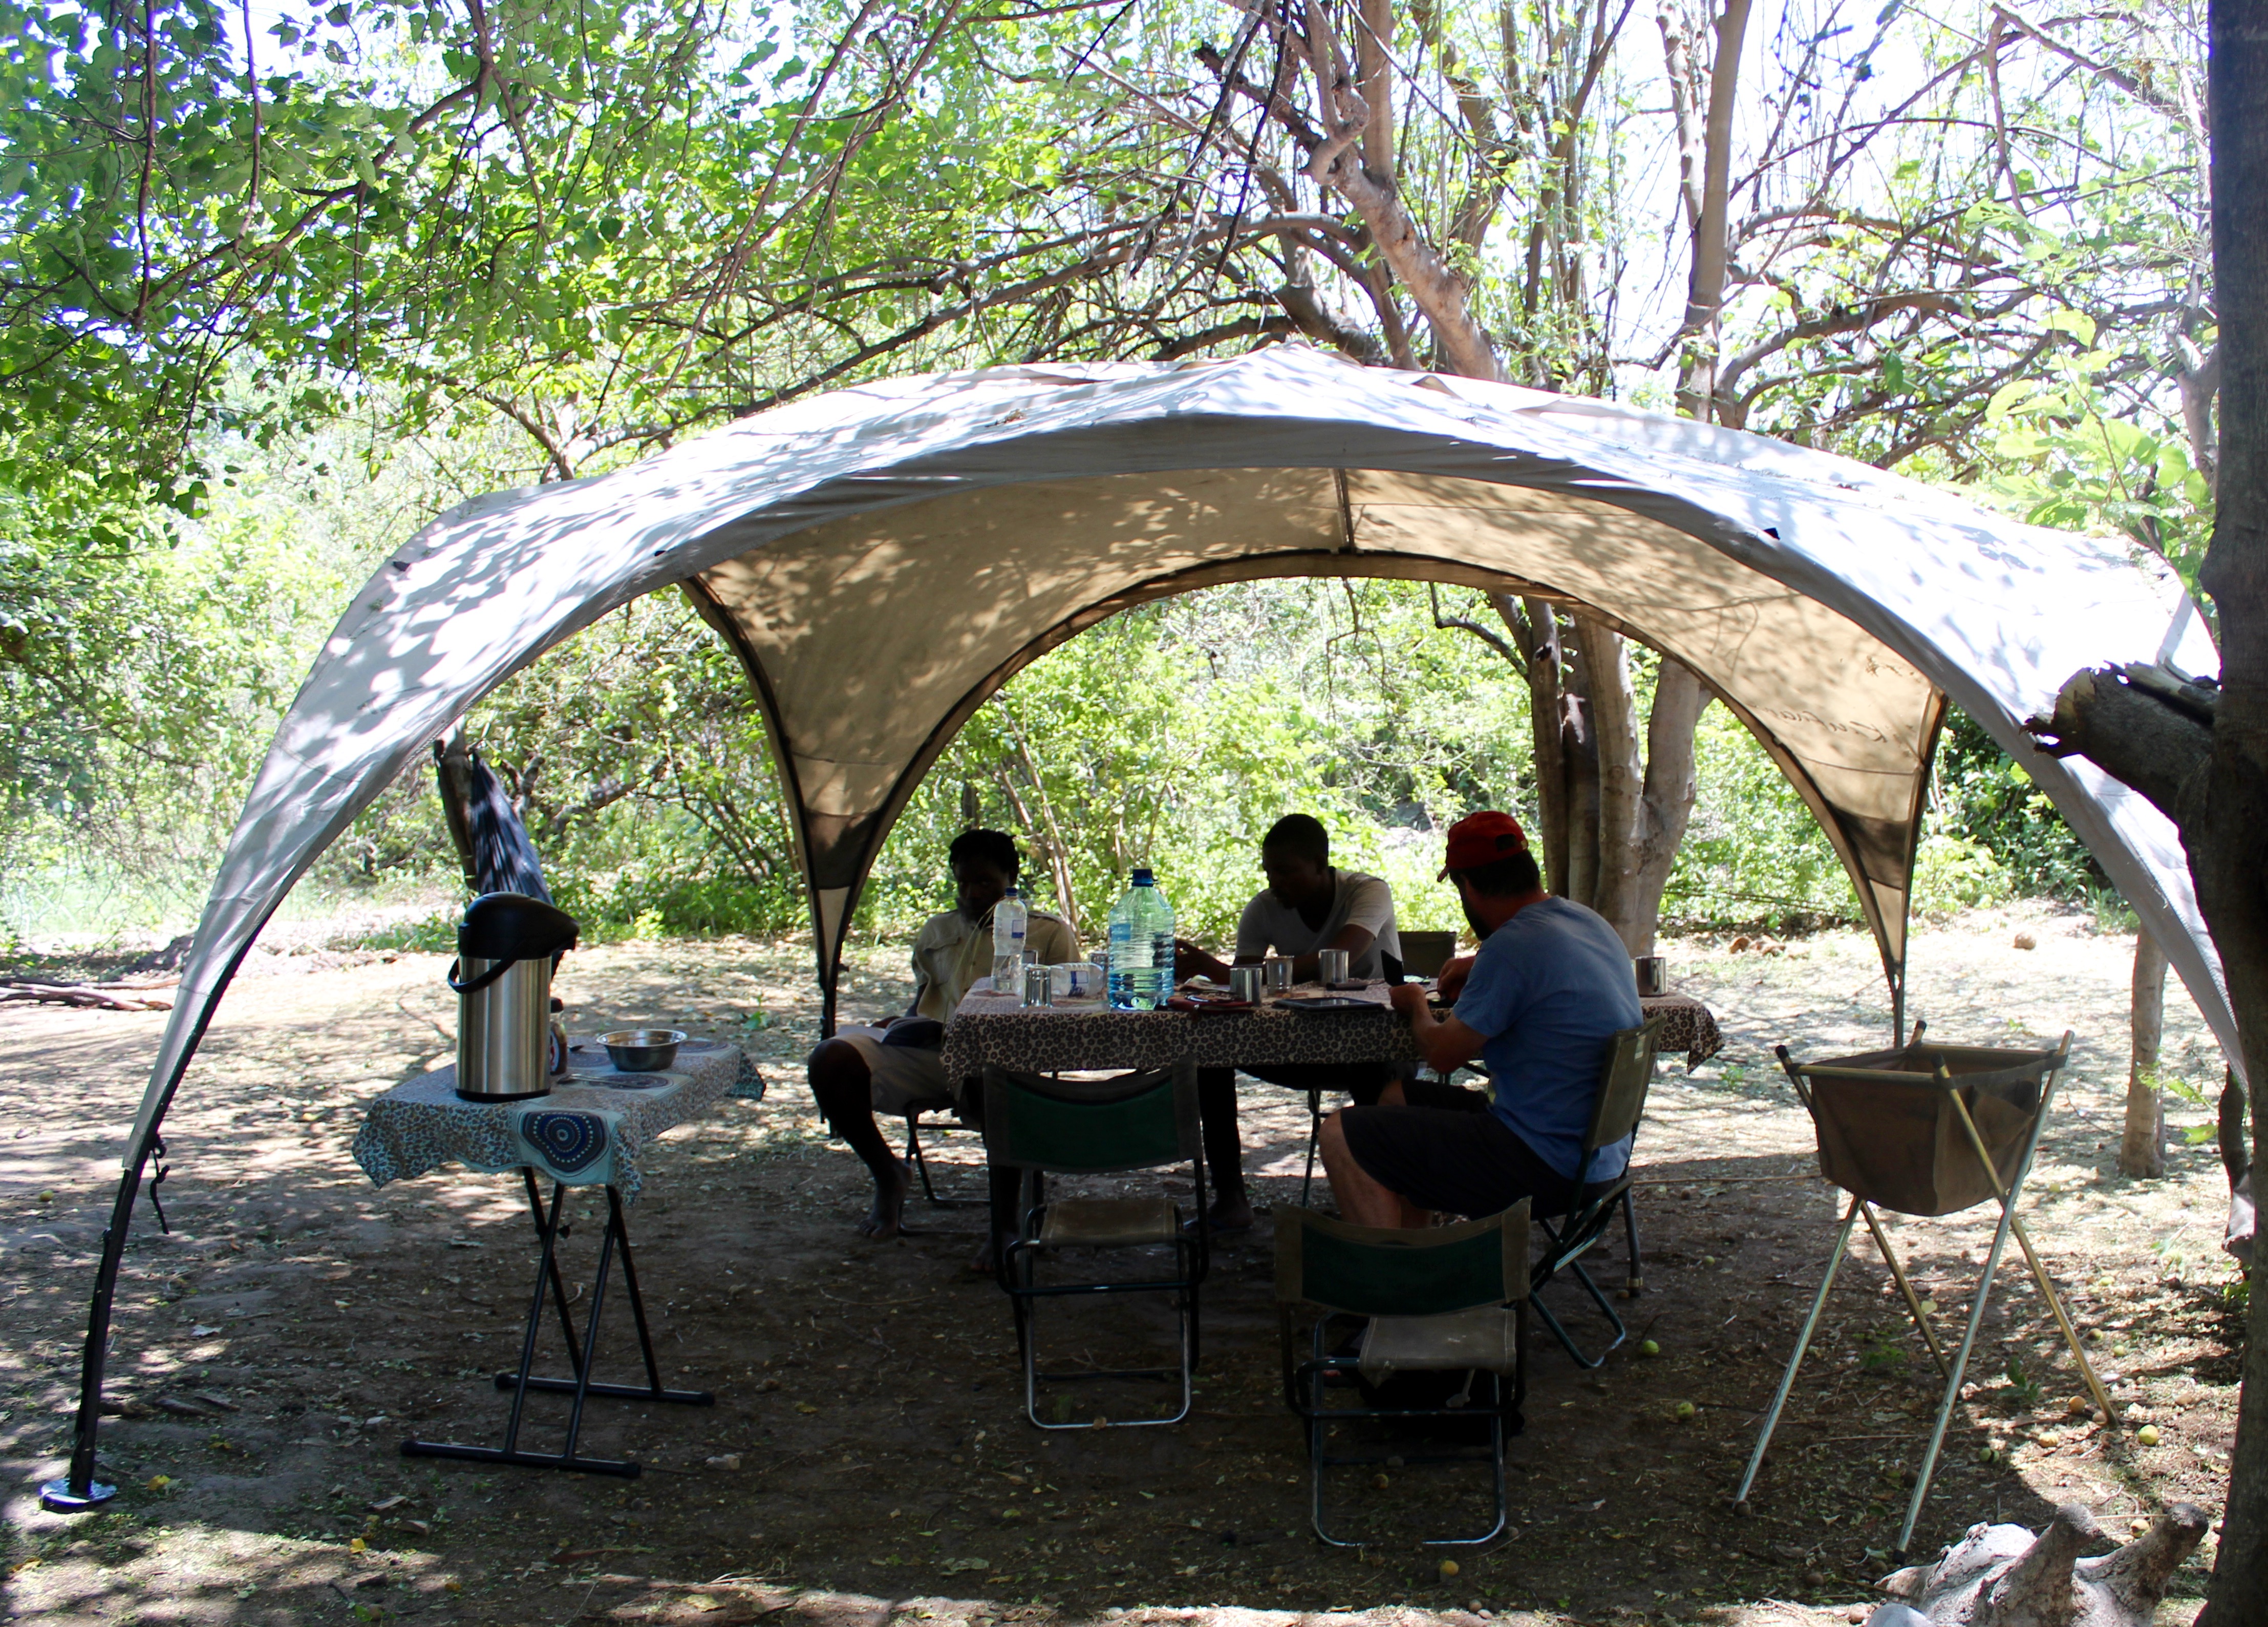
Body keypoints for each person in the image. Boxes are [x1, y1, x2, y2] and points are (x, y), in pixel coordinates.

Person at [1321, 809, 1642, 1228]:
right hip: (1598, 1158)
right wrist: (1480, 963)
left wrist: (1416, 1001)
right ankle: (1417, 1254)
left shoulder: (1511, 947)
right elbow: (1543, 967)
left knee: (1341, 1133)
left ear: (1468, 887)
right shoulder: (1585, 921)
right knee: (1395, 1096)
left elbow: (1441, 1055)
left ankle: (1392, 1284)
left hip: (1542, 1163)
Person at [806, 829, 1078, 1245]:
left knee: (995, 1075)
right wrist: (903, 1023)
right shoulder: (937, 930)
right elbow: (926, 997)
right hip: (934, 1054)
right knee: (830, 1058)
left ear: (1011, 876)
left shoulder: (1048, 933)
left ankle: (1005, 1224)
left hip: (1005, 1065)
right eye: (963, 883)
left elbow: (1069, 1009)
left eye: (985, 882)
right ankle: (889, 1175)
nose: (971, 893)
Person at [1173, 814, 1406, 1234]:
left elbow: (1341, 957)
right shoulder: (1264, 909)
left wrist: (1224, 972)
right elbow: (1242, 988)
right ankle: (1231, 1200)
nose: (1275, 881)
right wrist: (1222, 976)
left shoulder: (1368, 892)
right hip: (1299, 1048)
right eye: (1269, 871)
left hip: (1379, 1048)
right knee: (1210, 1054)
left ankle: (1381, 1207)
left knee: (1372, 1070)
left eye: (1286, 870)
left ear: (1321, 864)